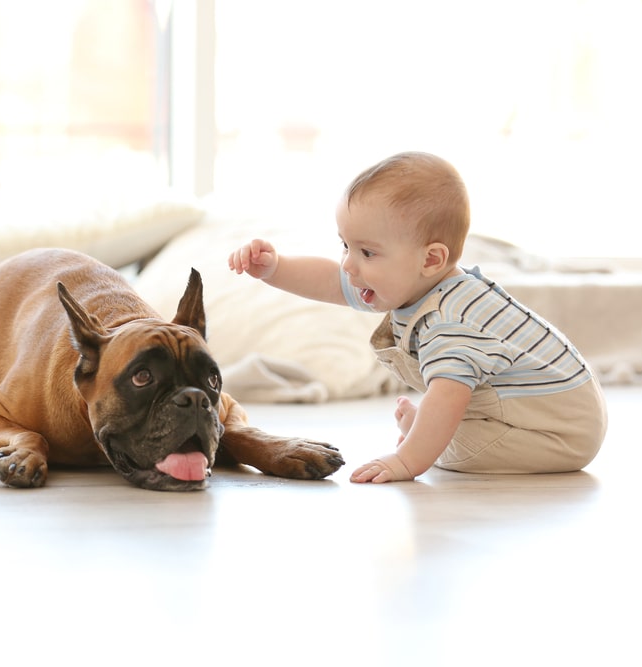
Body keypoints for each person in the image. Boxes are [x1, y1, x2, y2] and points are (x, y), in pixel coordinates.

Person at [227, 151, 608, 483]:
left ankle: (423, 435)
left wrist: (406, 459)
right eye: (346, 245)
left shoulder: (450, 322)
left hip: (556, 433)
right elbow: (331, 280)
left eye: (367, 252)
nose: (348, 263)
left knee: (449, 447)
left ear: (431, 259)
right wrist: (275, 268)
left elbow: (447, 399)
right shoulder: (415, 282)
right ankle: (425, 430)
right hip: (545, 412)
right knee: (438, 423)